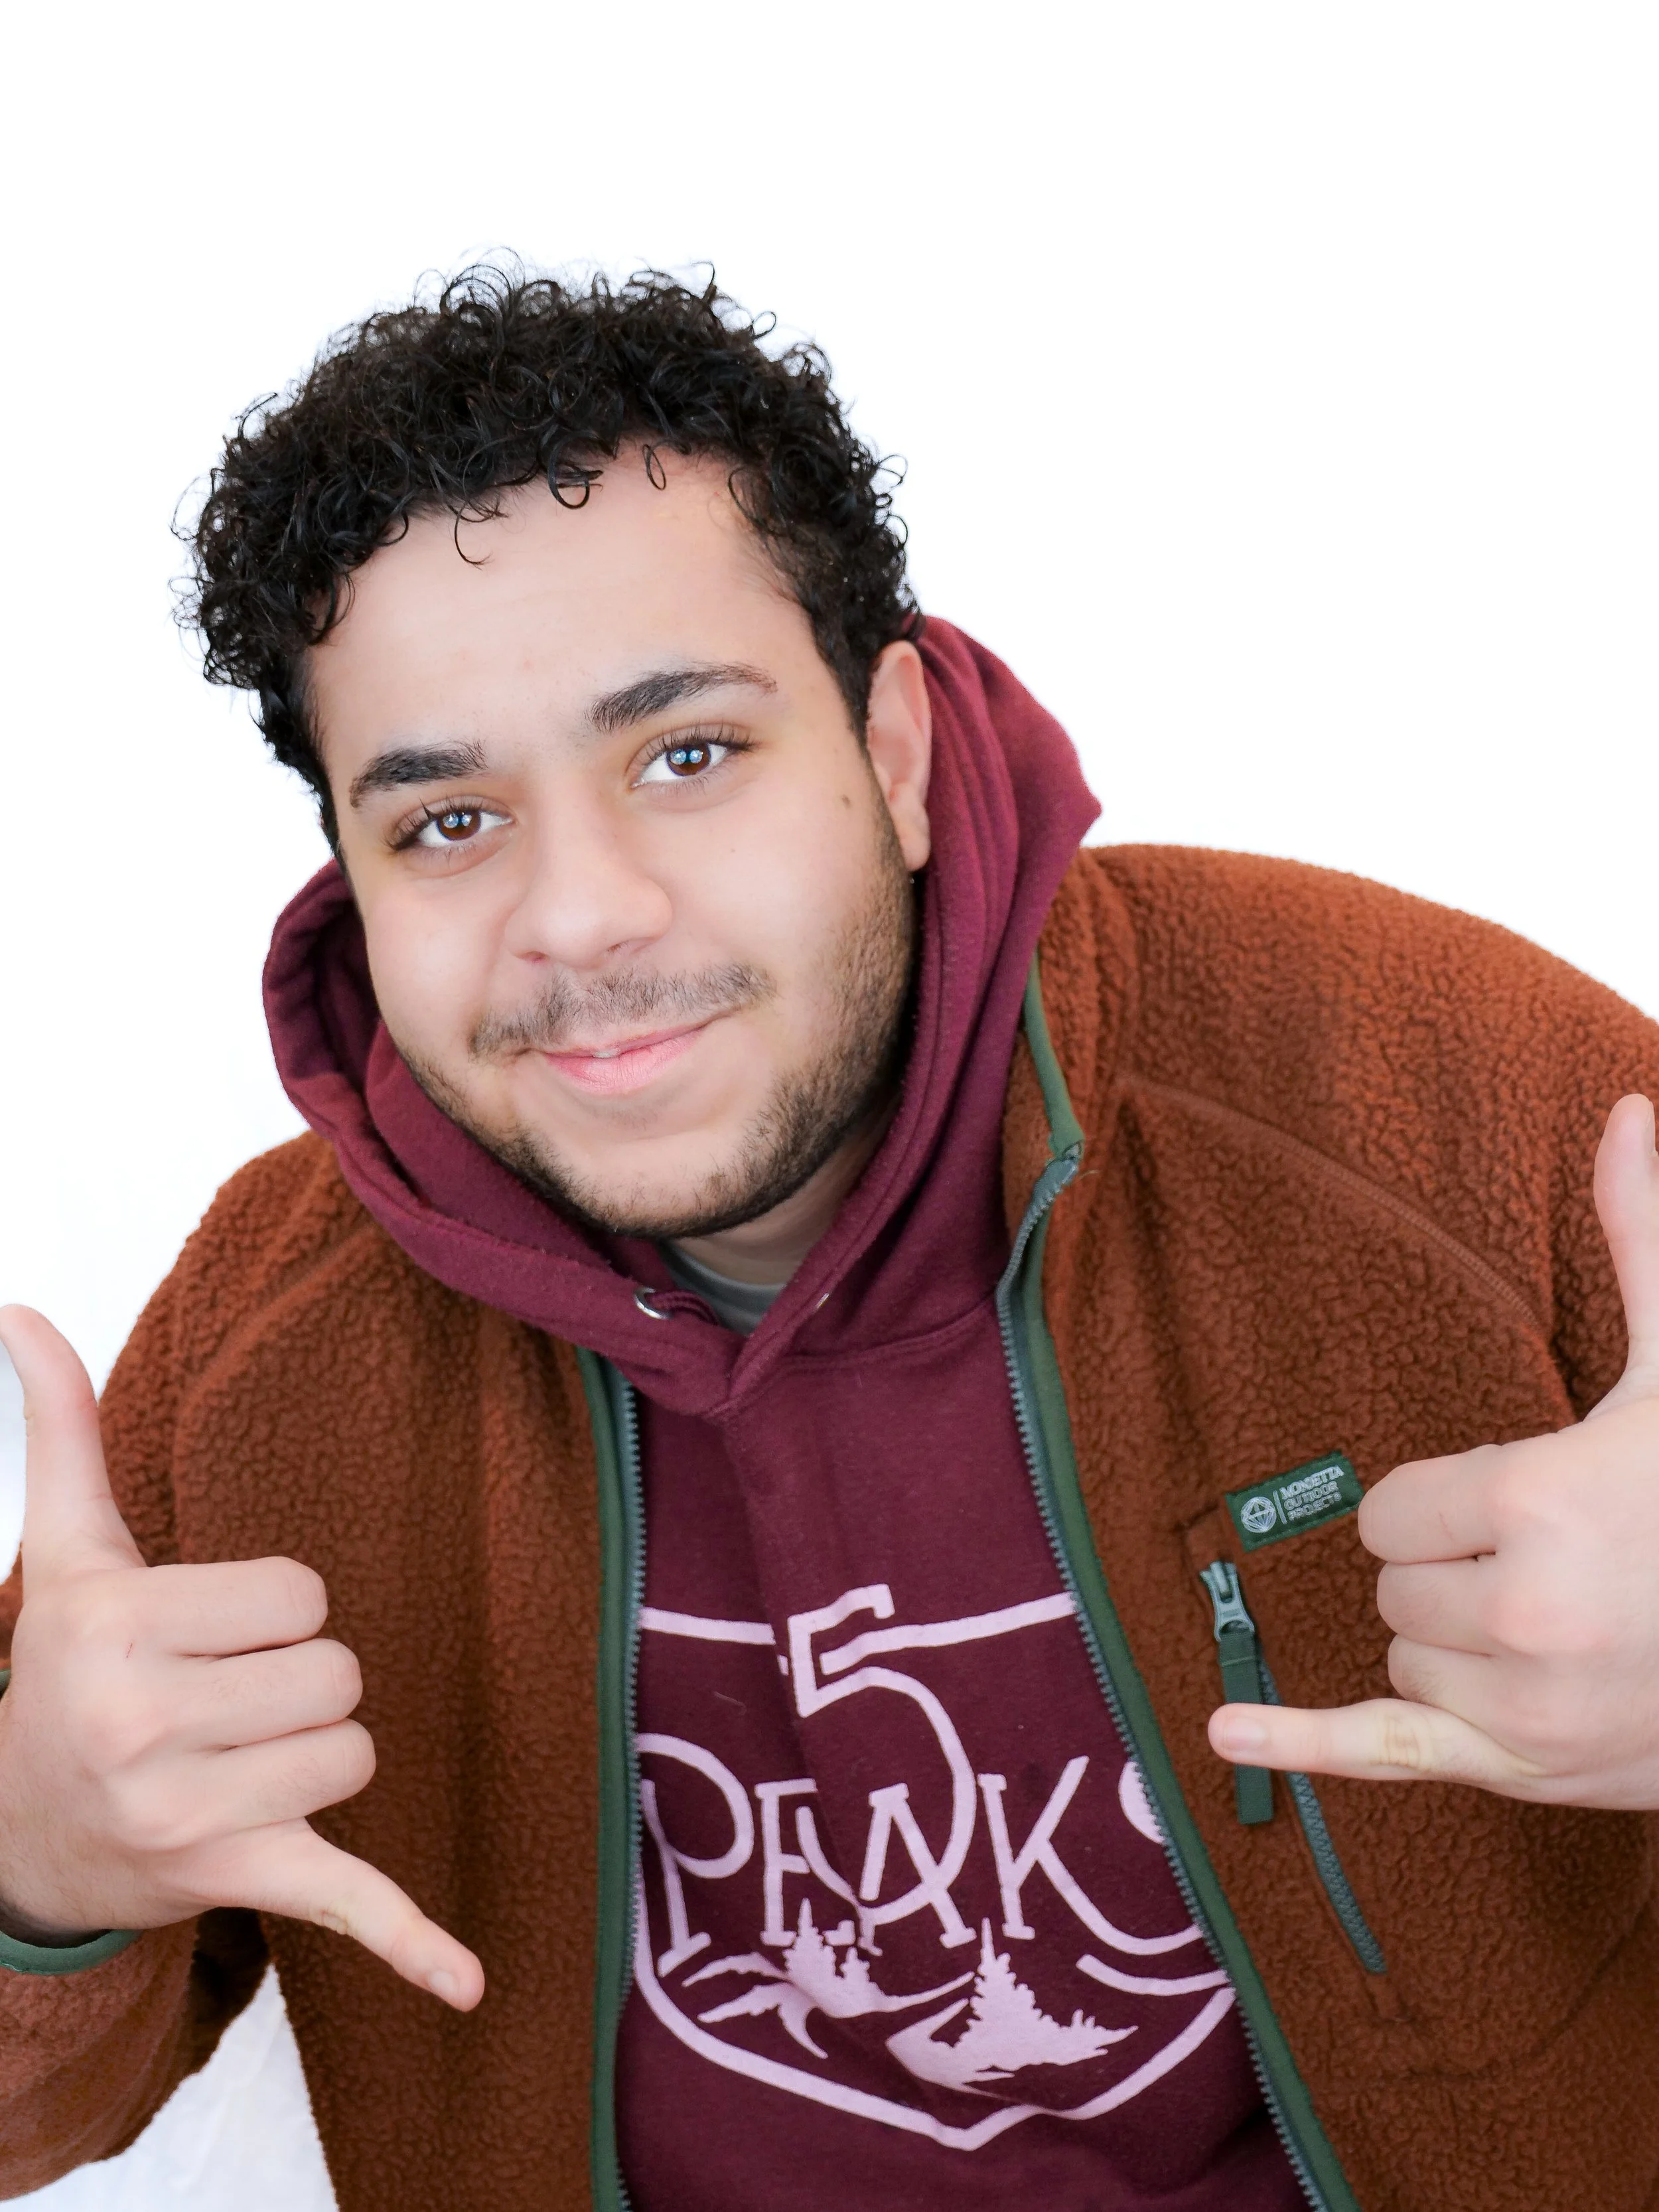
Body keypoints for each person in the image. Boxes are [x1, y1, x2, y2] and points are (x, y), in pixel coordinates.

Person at [1, 267, 1656, 2212]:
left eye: (685, 752)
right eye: (445, 820)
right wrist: (36, 1872)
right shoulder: (264, 1352)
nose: (582, 913)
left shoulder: (1450, 1094)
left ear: (887, 748)